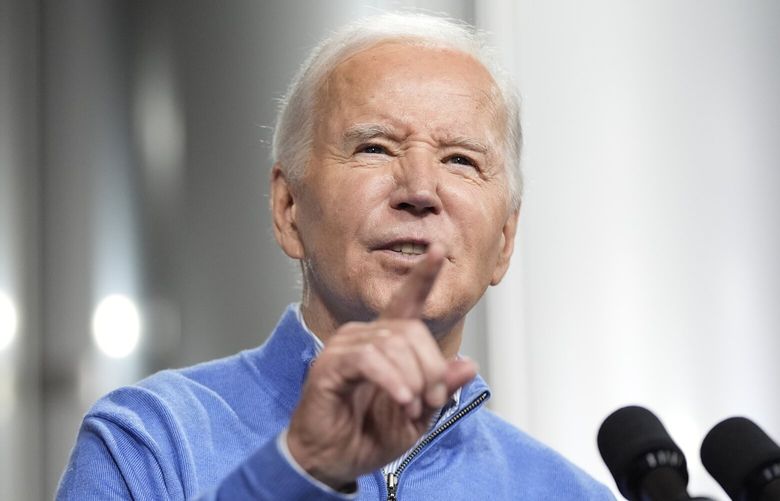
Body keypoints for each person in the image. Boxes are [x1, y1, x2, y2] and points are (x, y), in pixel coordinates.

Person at [57, 12, 614, 500]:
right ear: (288, 207)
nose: (420, 189)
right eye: (374, 147)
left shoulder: (569, 493)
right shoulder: (151, 442)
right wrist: (297, 471)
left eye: (461, 160)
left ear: (505, 240)